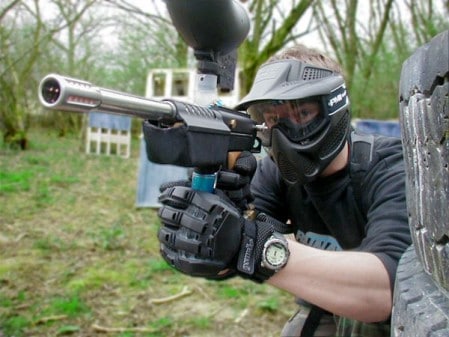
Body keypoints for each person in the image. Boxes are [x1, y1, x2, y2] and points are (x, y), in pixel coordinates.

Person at [155, 44, 412, 336]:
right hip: (328, 306)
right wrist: (206, 229)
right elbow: (227, 256)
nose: (282, 133)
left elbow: (387, 292)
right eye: (272, 119)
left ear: (334, 107)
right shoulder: (276, 173)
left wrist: (256, 248)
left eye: (301, 114)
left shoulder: (392, 167)